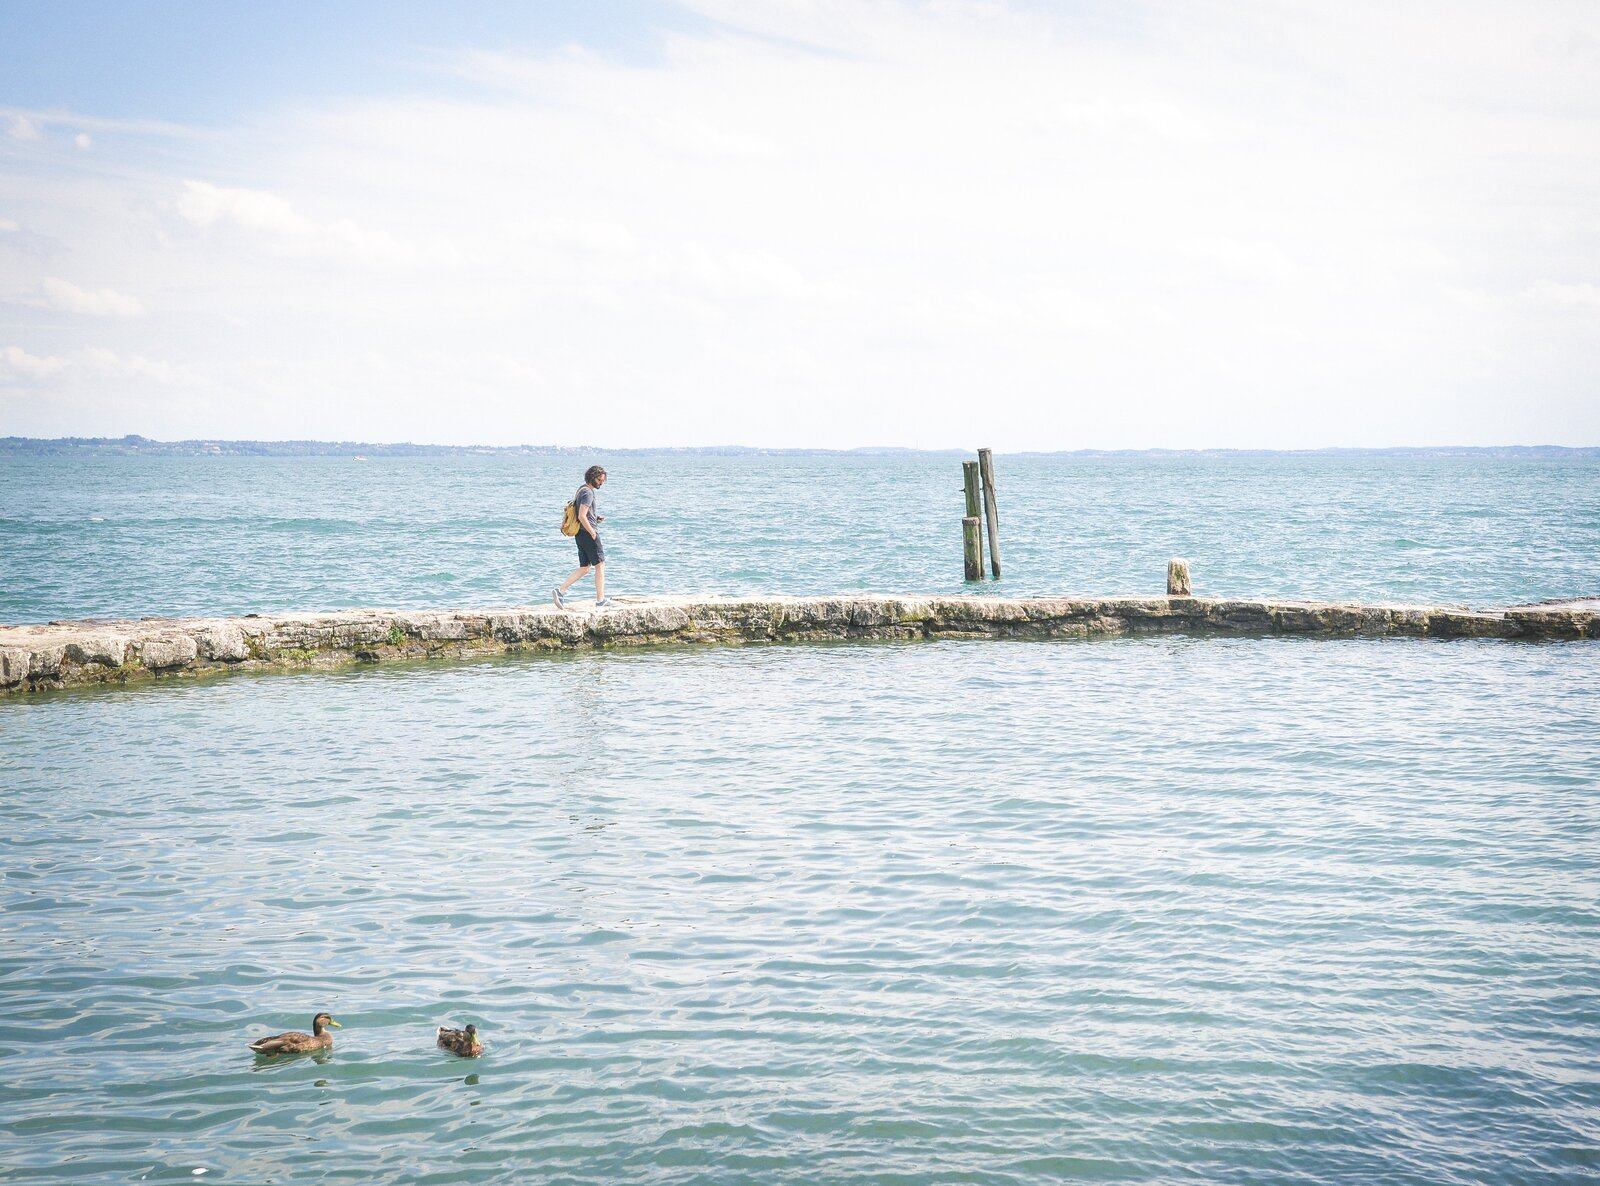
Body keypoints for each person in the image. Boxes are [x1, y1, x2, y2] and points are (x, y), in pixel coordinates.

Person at [553, 466, 610, 608]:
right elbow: (581, 516)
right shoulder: (588, 493)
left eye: (603, 480)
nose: (601, 482)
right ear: (592, 477)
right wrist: (592, 531)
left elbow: (583, 514)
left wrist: (595, 518)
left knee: (585, 568)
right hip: (587, 534)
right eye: (599, 479)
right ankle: (600, 600)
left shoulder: (581, 489)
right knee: (600, 565)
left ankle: (561, 591)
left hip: (580, 534)